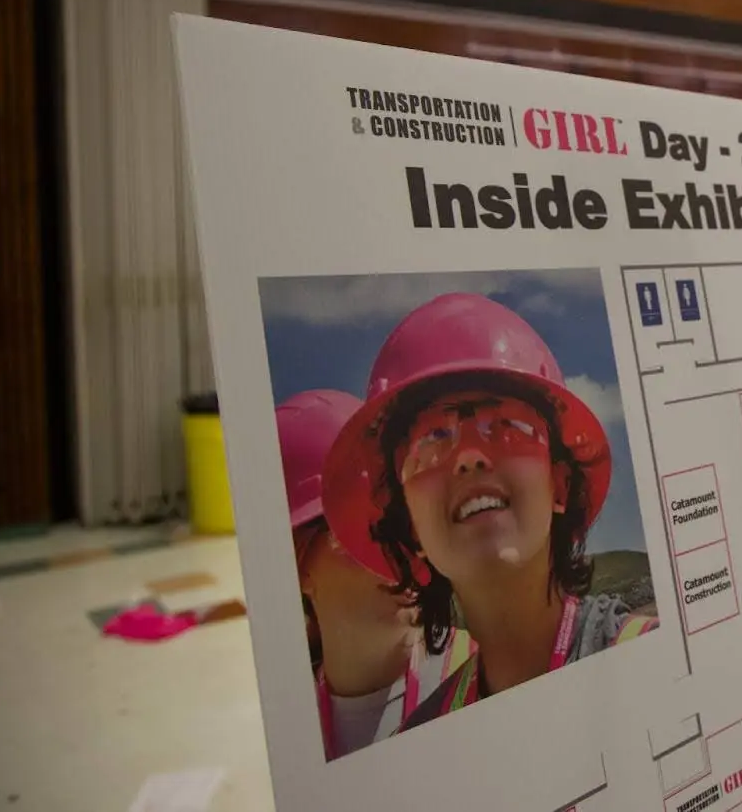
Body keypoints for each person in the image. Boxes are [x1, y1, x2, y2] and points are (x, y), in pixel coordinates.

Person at [323, 294, 655, 726]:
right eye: (432, 439)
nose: (468, 456)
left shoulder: (655, 659)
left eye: (508, 427)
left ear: (560, 484)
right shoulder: (427, 738)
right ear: (410, 528)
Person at [279, 390, 468, 759]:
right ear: (298, 566)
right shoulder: (288, 742)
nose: (403, 553)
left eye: (404, 525)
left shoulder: (490, 673)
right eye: (366, 532)